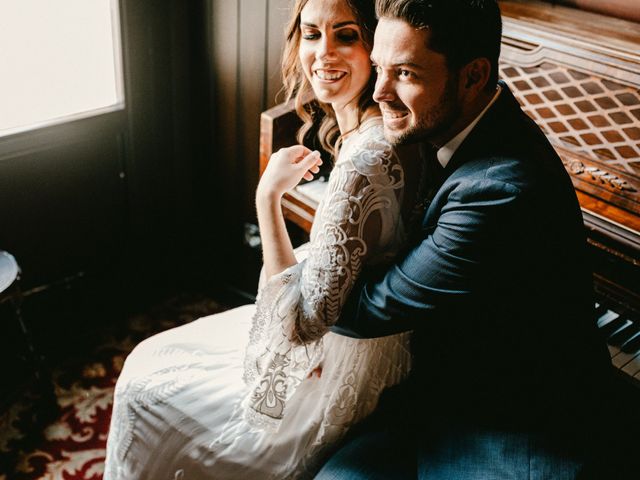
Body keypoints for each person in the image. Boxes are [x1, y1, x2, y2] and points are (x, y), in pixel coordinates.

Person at [104, 0, 423, 478]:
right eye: (312, 34)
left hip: (340, 368)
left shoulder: (366, 158)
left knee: (145, 386)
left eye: (347, 35)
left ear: (377, 45)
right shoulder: (380, 127)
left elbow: (296, 326)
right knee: (157, 357)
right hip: (359, 332)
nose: (324, 53)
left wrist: (268, 195)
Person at [315, 0, 614, 478]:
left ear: (474, 76)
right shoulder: (469, 120)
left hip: (517, 430)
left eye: (406, 74)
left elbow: (365, 309)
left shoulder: (498, 190)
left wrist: (300, 272)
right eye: (378, 69)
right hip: (445, 389)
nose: (379, 93)